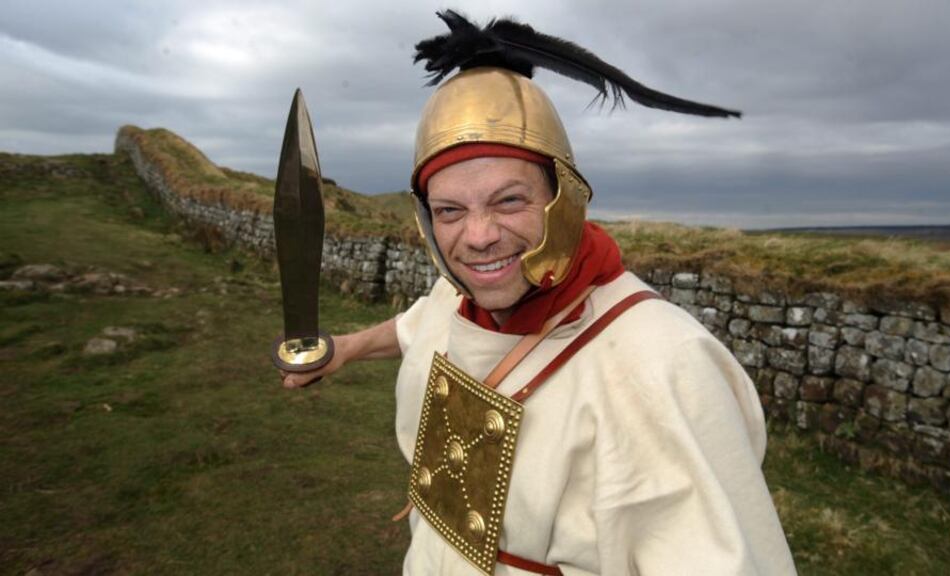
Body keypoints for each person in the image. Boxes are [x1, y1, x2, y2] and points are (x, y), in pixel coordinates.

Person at [281, 11, 795, 576]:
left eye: (508, 201)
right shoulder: (456, 300)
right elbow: (417, 327)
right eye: (450, 210)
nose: (478, 237)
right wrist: (344, 349)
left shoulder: (665, 362)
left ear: (563, 198)